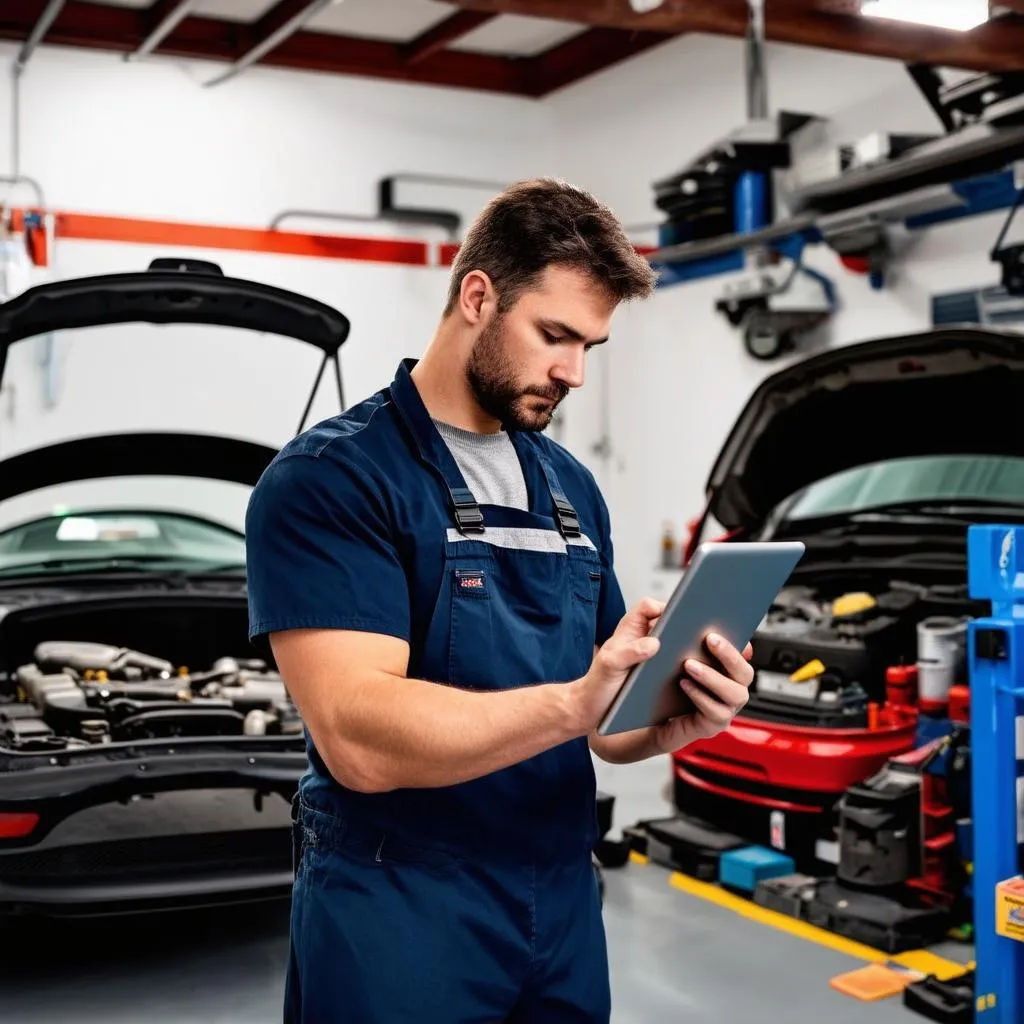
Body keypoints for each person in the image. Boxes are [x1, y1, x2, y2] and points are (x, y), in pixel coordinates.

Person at [244, 177, 755, 1024]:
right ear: (477, 295)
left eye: (591, 345)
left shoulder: (569, 488)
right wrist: (574, 703)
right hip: (398, 907)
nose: (575, 372)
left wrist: (670, 719)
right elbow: (359, 738)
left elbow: (604, 722)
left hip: (557, 898)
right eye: (555, 335)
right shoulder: (330, 481)